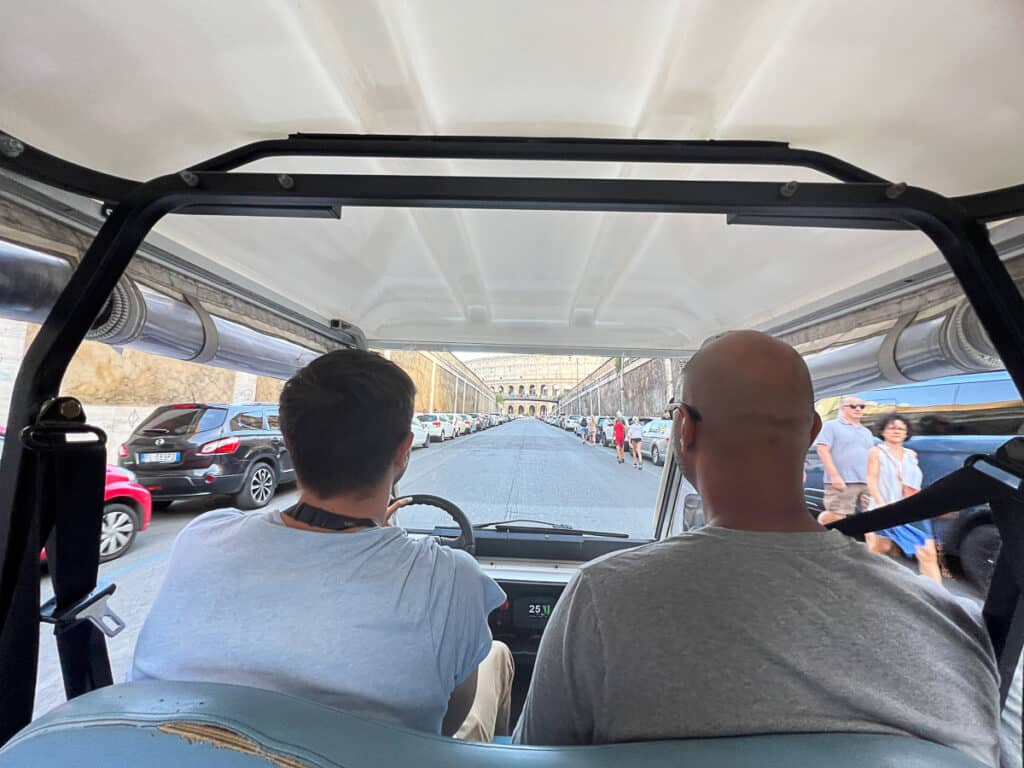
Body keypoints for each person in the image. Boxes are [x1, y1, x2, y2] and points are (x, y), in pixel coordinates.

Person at [514, 331, 999, 766]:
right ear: (813, 431)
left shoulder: (605, 596)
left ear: (684, 428)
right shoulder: (945, 618)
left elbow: (537, 756)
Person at [130, 349, 513, 741]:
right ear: (403, 451)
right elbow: (446, 726)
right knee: (496, 655)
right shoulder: (449, 578)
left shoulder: (202, 536)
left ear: (289, 440)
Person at [865, 413, 942, 585]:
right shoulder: (877, 452)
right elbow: (871, 479)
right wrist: (880, 505)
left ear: (907, 433)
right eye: (892, 428)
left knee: (927, 553)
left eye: (901, 428)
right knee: (880, 548)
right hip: (886, 507)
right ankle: (868, 585)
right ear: (883, 431)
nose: (896, 431)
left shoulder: (911, 455)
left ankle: (938, 597)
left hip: (912, 510)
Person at [815, 395, 876, 524]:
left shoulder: (866, 432)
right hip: (843, 481)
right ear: (843, 408)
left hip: (867, 482)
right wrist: (834, 476)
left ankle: (872, 544)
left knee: (874, 517)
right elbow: (822, 450)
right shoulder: (830, 426)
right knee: (835, 516)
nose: (858, 409)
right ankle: (820, 538)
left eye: (861, 406)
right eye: (853, 406)